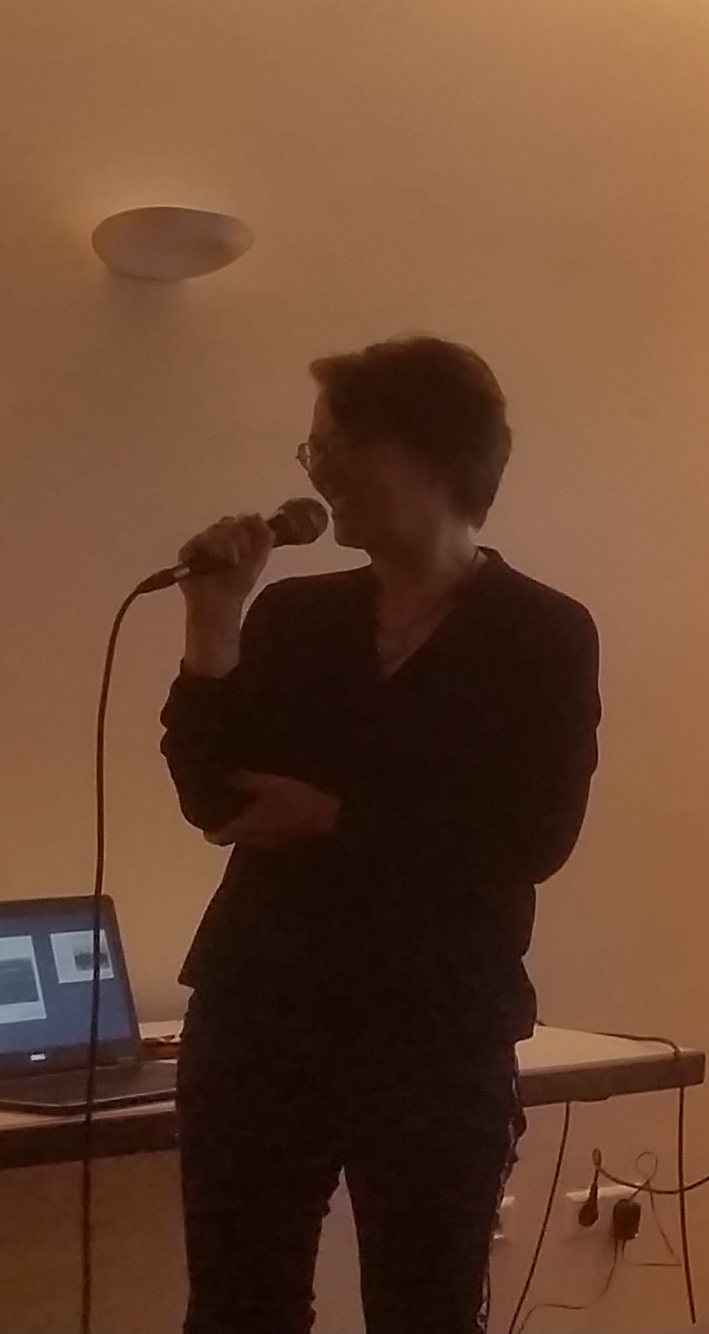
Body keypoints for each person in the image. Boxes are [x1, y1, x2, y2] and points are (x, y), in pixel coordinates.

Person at [160, 336, 602, 1334]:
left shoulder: (542, 633)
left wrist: (333, 817)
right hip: (259, 1017)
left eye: (338, 446)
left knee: (424, 1311)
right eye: (311, 451)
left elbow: (532, 835)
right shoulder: (293, 616)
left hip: (435, 1031)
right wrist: (213, 622)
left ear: (431, 452)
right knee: (236, 1308)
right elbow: (214, 799)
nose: (318, 473)